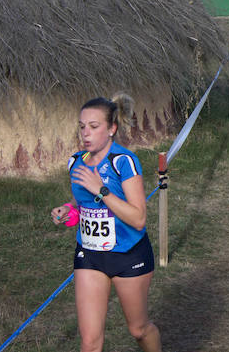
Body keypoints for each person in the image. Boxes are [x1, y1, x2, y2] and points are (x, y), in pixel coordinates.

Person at [50, 95, 161, 352]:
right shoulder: (75, 162)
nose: (85, 133)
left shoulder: (123, 162)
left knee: (138, 330)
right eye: (82, 126)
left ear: (111, 129)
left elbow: (138, 218)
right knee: (89, 343)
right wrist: (68, 211)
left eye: (94, 126)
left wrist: (100, 189)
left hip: (128, 256)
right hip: (89, 255)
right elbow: (84, 205)